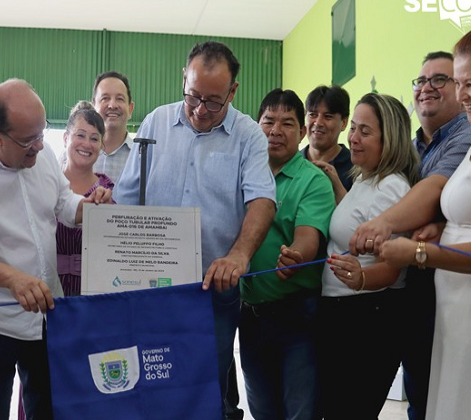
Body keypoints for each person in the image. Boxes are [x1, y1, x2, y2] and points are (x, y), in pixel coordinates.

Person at [114, 41, 277, 420]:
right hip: (151, 288)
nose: (201, 110)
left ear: (234, 91)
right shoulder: (155, 123)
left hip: (212, 289)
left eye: (214, 102)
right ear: (183, 80)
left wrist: (238, 256)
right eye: (193, 97)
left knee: (204, 391)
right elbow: (127, 199)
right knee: (150, 383)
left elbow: (262, 201)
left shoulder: (249, 136)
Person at [380, 20, 471, 420]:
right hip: (459, 308)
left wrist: (419, 252)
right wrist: (445, 229)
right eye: (458, 84)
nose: (461, 96)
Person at [0, 79, 111, 420]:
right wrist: (13, 280)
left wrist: (87, 208)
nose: (39, 147)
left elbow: (63, 201)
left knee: (47, 409)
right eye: (27, 141)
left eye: (42, 134)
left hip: (50, 314)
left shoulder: (43, 151)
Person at [347, 51, 471, 420]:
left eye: (440, 79)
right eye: (421, 81)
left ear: (464, 88)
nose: (426, 88)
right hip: (414, 294)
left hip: (451, 289)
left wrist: (384, 224)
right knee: (421, 391)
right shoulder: (414, 147)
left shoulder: (469, 133)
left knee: (441, 396)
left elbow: (435, 189)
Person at [319, 93, 420, 420]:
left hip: (368, 319)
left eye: (365, 131)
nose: (353, 138)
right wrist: (336, 184)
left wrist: (361, 277)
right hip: (346, 313)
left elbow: (391, 269)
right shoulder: (365, 179)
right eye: (354, 129)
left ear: (388, 139)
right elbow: (357, 223)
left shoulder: (392, 186)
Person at [239, 89, 334, 420]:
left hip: (297, 318)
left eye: (287, 123)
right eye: (268, 121)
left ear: (303, 132)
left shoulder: (314, 180)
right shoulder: (244, 176)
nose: (275, 130)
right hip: (249, 317)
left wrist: (295, 256)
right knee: (263, 412)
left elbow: (308, 239)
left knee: (300, 413)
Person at [57, 101, 114, 296]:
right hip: (46, 292)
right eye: (80, 135)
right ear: (65, 138)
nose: (86, 144)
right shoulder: (46, 185)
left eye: (94, 138)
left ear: (101, 146)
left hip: (93, 296)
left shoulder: (107, 192)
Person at [59, 71, 135, 183]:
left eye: (120, 99)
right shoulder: (69, 156)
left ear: (130, 109)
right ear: (94, 106)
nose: (112, 105)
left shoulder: (140, 157)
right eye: (105, 98)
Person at [300, 85, 353, 204]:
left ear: (344, 123)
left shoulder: (355, 168)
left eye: (328, 116)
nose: (318, 123)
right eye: (312, 114)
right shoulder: (292, 163)